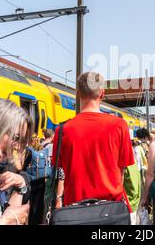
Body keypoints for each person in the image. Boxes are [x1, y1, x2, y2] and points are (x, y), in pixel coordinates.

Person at [52, 72, 134, 210]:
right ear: (102, 93)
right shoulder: (119, 125)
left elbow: (61, 171)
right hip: (111, 208)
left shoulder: (62, 131)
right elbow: (121, 171)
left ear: (78, 94)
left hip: (74, 210)